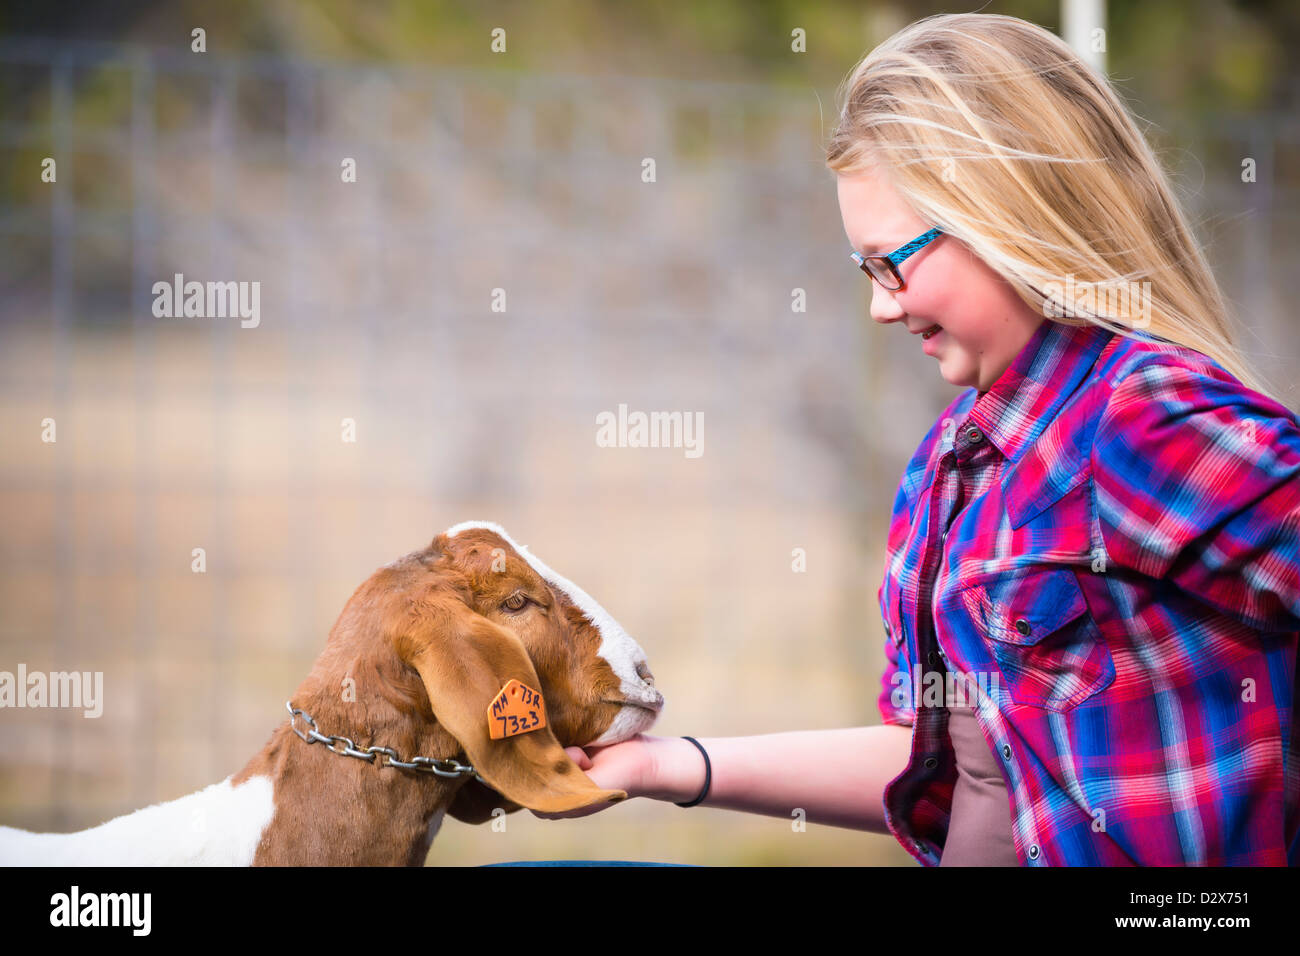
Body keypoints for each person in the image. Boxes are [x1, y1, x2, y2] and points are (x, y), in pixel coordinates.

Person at [532, 12, 1300, 865]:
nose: (881, 304)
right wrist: (668, 766)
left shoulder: (1146, 420)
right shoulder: (949, 469)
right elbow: (938, 764)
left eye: (893, 261)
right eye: (866, 271)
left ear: (1005, 216)